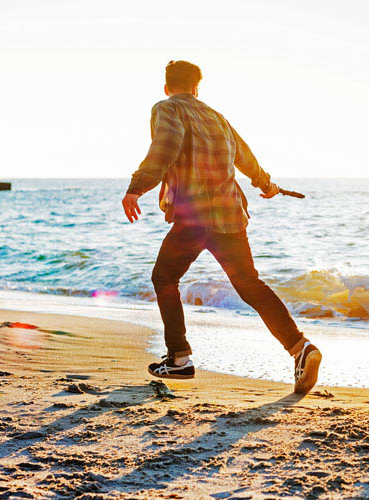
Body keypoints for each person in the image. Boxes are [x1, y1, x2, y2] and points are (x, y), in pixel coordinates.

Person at [122, 60, 322, 395]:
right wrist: (266, 183)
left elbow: (165, 146)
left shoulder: (166, 109)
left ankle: (179, 358)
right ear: (197, 87)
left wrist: (136, 186)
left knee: (164, 277)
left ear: (167, 86)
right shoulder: (216, 116)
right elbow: (245, 156)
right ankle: (300, 348)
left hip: (195, 216)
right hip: (230, 215)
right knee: (249, 284)